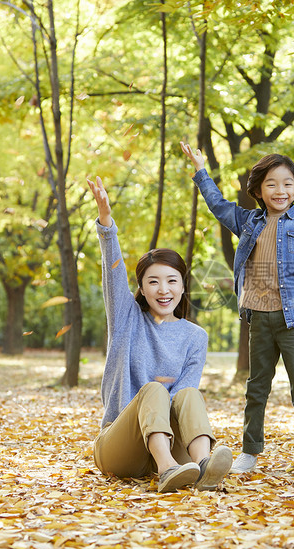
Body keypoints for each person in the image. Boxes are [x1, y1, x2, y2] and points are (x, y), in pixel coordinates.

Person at [180, 142, 294, 478]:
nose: (280, 190)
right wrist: (200, 171)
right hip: (258, 317)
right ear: (259, 189)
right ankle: (250, 452)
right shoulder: (249, 222)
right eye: (271, 184)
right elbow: (218, 205)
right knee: (256, 389)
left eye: (287, 184)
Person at [88, 175, 232, 493]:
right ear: (141, 288)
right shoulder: (126, 319)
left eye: (171, 281)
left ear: (182, 287)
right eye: (153, 281)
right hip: (119, 448)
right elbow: (112, 271)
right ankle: (167, 470)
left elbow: (182, 398)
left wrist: (168, 392)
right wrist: (105, 220)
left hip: (172, 446)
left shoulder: (195, 337)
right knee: (154, 390)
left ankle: (205, 467)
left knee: (190, 394)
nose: (163, 289)